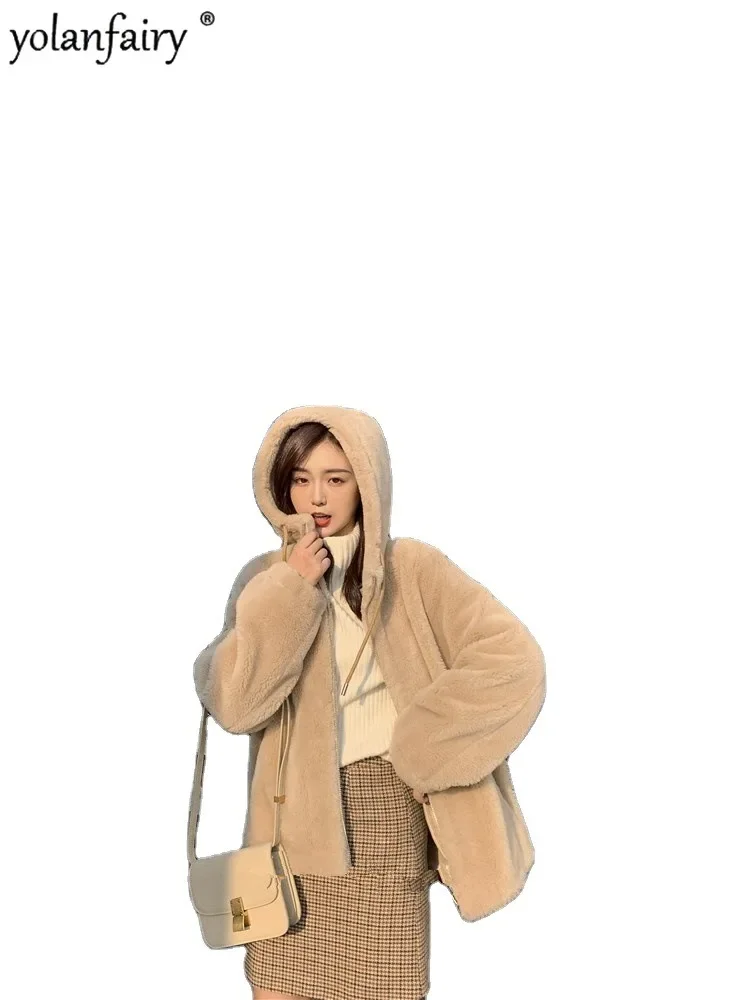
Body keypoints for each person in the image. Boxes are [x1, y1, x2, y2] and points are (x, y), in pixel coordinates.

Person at [193, 404, 546, 1000]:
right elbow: (235, 703)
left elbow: (513, 659)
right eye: (301, 479)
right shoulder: (263, 579)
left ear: (367, 482)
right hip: (289, 831)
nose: (316, 497)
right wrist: (292, 585)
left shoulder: (413, 569)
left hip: (387, 812)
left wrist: (425, 743)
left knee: (385, 987)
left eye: (336, 478)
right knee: (278, 988)